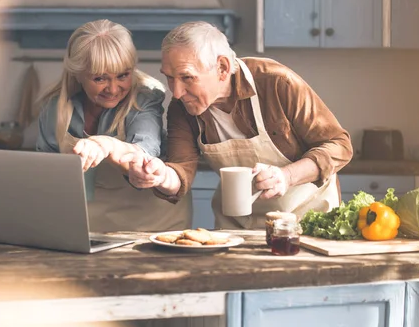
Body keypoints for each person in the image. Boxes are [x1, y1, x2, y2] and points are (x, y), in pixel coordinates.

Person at [123, 21, 353, 229]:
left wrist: (287, 176)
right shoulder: (182, 108)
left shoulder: (276, 82)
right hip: (239, 227)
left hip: (305, 221)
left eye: (187, 78)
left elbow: (339, 145)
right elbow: (182, 168)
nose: (177, 91)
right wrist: (160, 176)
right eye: (169, 78)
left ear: (222, 68)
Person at [36, 19, 191, 232]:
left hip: (152, 223)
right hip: (88, 223)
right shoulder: (55, 106)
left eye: (123, 76)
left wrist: (105, 145)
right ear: (78, 74)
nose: (113, 88)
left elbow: (145, 150)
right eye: (100, 78)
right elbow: (45, 173)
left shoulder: (145, 96)